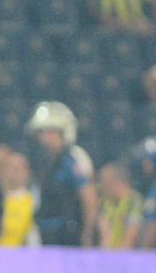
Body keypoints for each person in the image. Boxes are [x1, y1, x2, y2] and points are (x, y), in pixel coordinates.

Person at [26, 101, 96, 246]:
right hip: (45, 232)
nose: (45, 137)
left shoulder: (73, 159)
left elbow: (88, 198)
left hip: (67, 234)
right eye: (42, 132)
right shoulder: (44, 161)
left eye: (51, 132)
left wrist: (88, 233)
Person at [96, 161, 144, 249]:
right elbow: (105, 235)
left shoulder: (133, 201)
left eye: (106, 182)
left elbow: (131, 235)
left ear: (119, 181)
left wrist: (120, 256)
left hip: (126, 255)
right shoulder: (106, 203)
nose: (102, 187)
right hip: (109, 254)